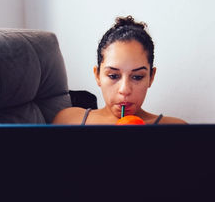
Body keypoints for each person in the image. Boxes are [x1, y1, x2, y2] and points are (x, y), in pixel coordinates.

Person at [53, 15, 187, 125]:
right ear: (97, 75)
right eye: (113, 76)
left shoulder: (175, 129)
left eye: (137, 77)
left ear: (151, 77)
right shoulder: (69, 120)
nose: (124, 90)